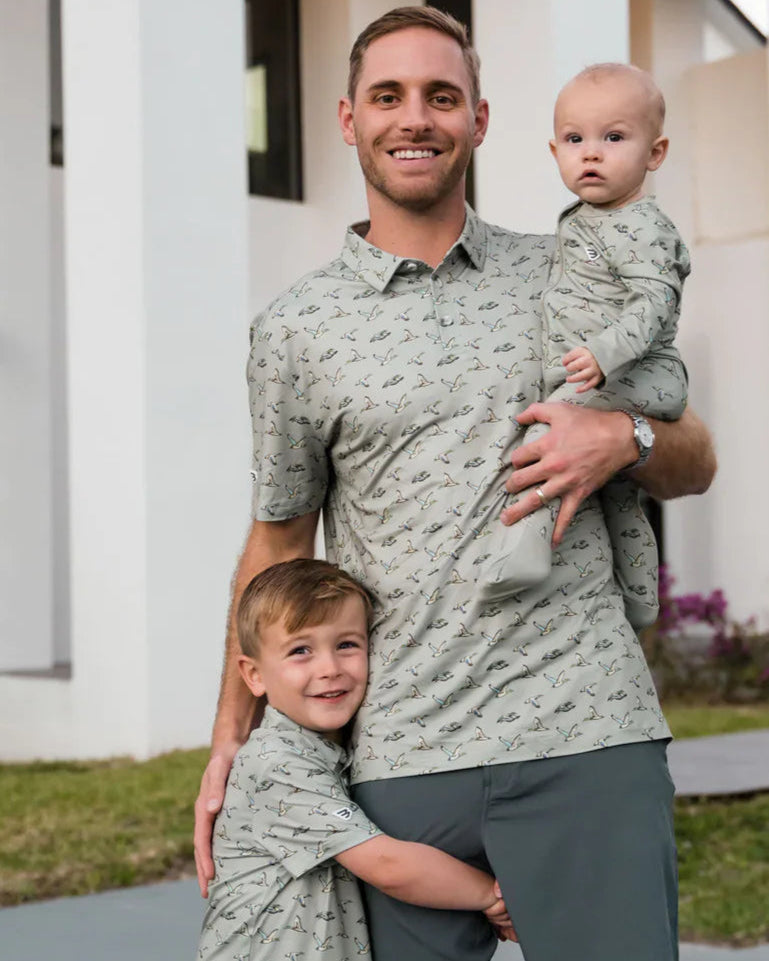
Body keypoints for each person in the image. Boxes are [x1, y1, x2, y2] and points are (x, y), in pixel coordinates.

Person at [195, 8, 717, 961]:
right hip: (400, 754)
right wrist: (234, 737)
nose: (415, 118)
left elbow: (695, 457)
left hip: (583, 728)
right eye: (387, 96)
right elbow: (280, 539)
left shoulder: (570, 266)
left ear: (478, 120)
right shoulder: (296, 329)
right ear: (348, 119)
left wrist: (620, 435)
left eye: (441, 96)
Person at [197, 558, 514, 959]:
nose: (329, 668)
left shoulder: (336, 750)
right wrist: (491, 896)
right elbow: (387, 865)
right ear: (254, 675)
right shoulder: (275, 762)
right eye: (300, 651)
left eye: (346, 645)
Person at [480, 63, 690, 630]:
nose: (591, 153)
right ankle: (642, 596)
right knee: (615, 493)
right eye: (575, 140)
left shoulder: (643, 225)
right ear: (555, 152)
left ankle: (521, 549)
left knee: (547, 438)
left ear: (655, 153)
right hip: (607, 375)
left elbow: (656, 301)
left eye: (614, 138)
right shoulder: (585, 220)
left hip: (640, 371)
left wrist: (604, 351)